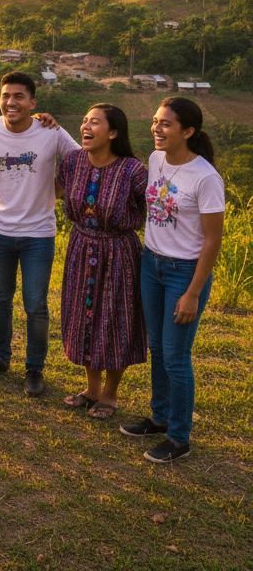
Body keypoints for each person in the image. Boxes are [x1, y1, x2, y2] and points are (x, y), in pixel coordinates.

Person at [120, 97, 224, 464]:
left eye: (166, 124)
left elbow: (213, 240)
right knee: (158, 349)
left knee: (177, 357)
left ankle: (180, 438)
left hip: (184, 273)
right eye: (155, 121)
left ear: (188, 131)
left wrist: (193, 293)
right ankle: (160, 418)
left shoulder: (206, 177)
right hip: (152, 264)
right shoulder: (155, 159)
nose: (157, 129)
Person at [0, 71, 79, 395]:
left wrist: (57, 190)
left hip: (38, 235)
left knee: (35, 304)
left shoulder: (50, 131)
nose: (10, 102)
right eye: (5, 96)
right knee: (1, 298)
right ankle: (0, 358)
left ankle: (34, 369)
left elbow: (78, 161)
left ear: (32, 102)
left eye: (18, 96)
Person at [57, 104, 147, 419]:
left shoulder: (134, 170)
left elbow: (151, 208)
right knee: (83, 318)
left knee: (115, 319)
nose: (86, 126)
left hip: (119, 253)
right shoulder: (72, 162)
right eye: (83, 121)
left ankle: (110, 395)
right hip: (80, 248)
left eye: (94, 122)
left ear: (112, 132)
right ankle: (91, 389)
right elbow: (61, 192)